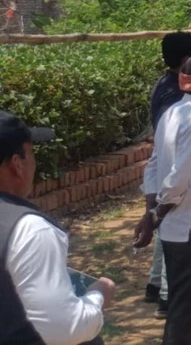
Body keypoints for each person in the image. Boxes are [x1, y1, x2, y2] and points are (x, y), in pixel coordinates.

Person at [136, 55, 191, 345]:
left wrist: (151, 213)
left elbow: (154, 166)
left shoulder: (173, 113)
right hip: (189, 226)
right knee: (185, 308)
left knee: (179, 303)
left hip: (175, 226)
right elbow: (179, 178)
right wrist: (155, 215)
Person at [2, 111, 111, 345]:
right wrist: (97, 295)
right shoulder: (30, 230)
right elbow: (67, 328)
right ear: (17, 164)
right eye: (31, 154)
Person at [144, 31, 191, 318]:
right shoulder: (177, 94)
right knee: (176, 232)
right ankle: (169, 297)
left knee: (165, 229)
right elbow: (177, 137)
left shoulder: (165, 85)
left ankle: (155, 285)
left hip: (167, 168)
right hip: (173, 173)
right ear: (185, 60)